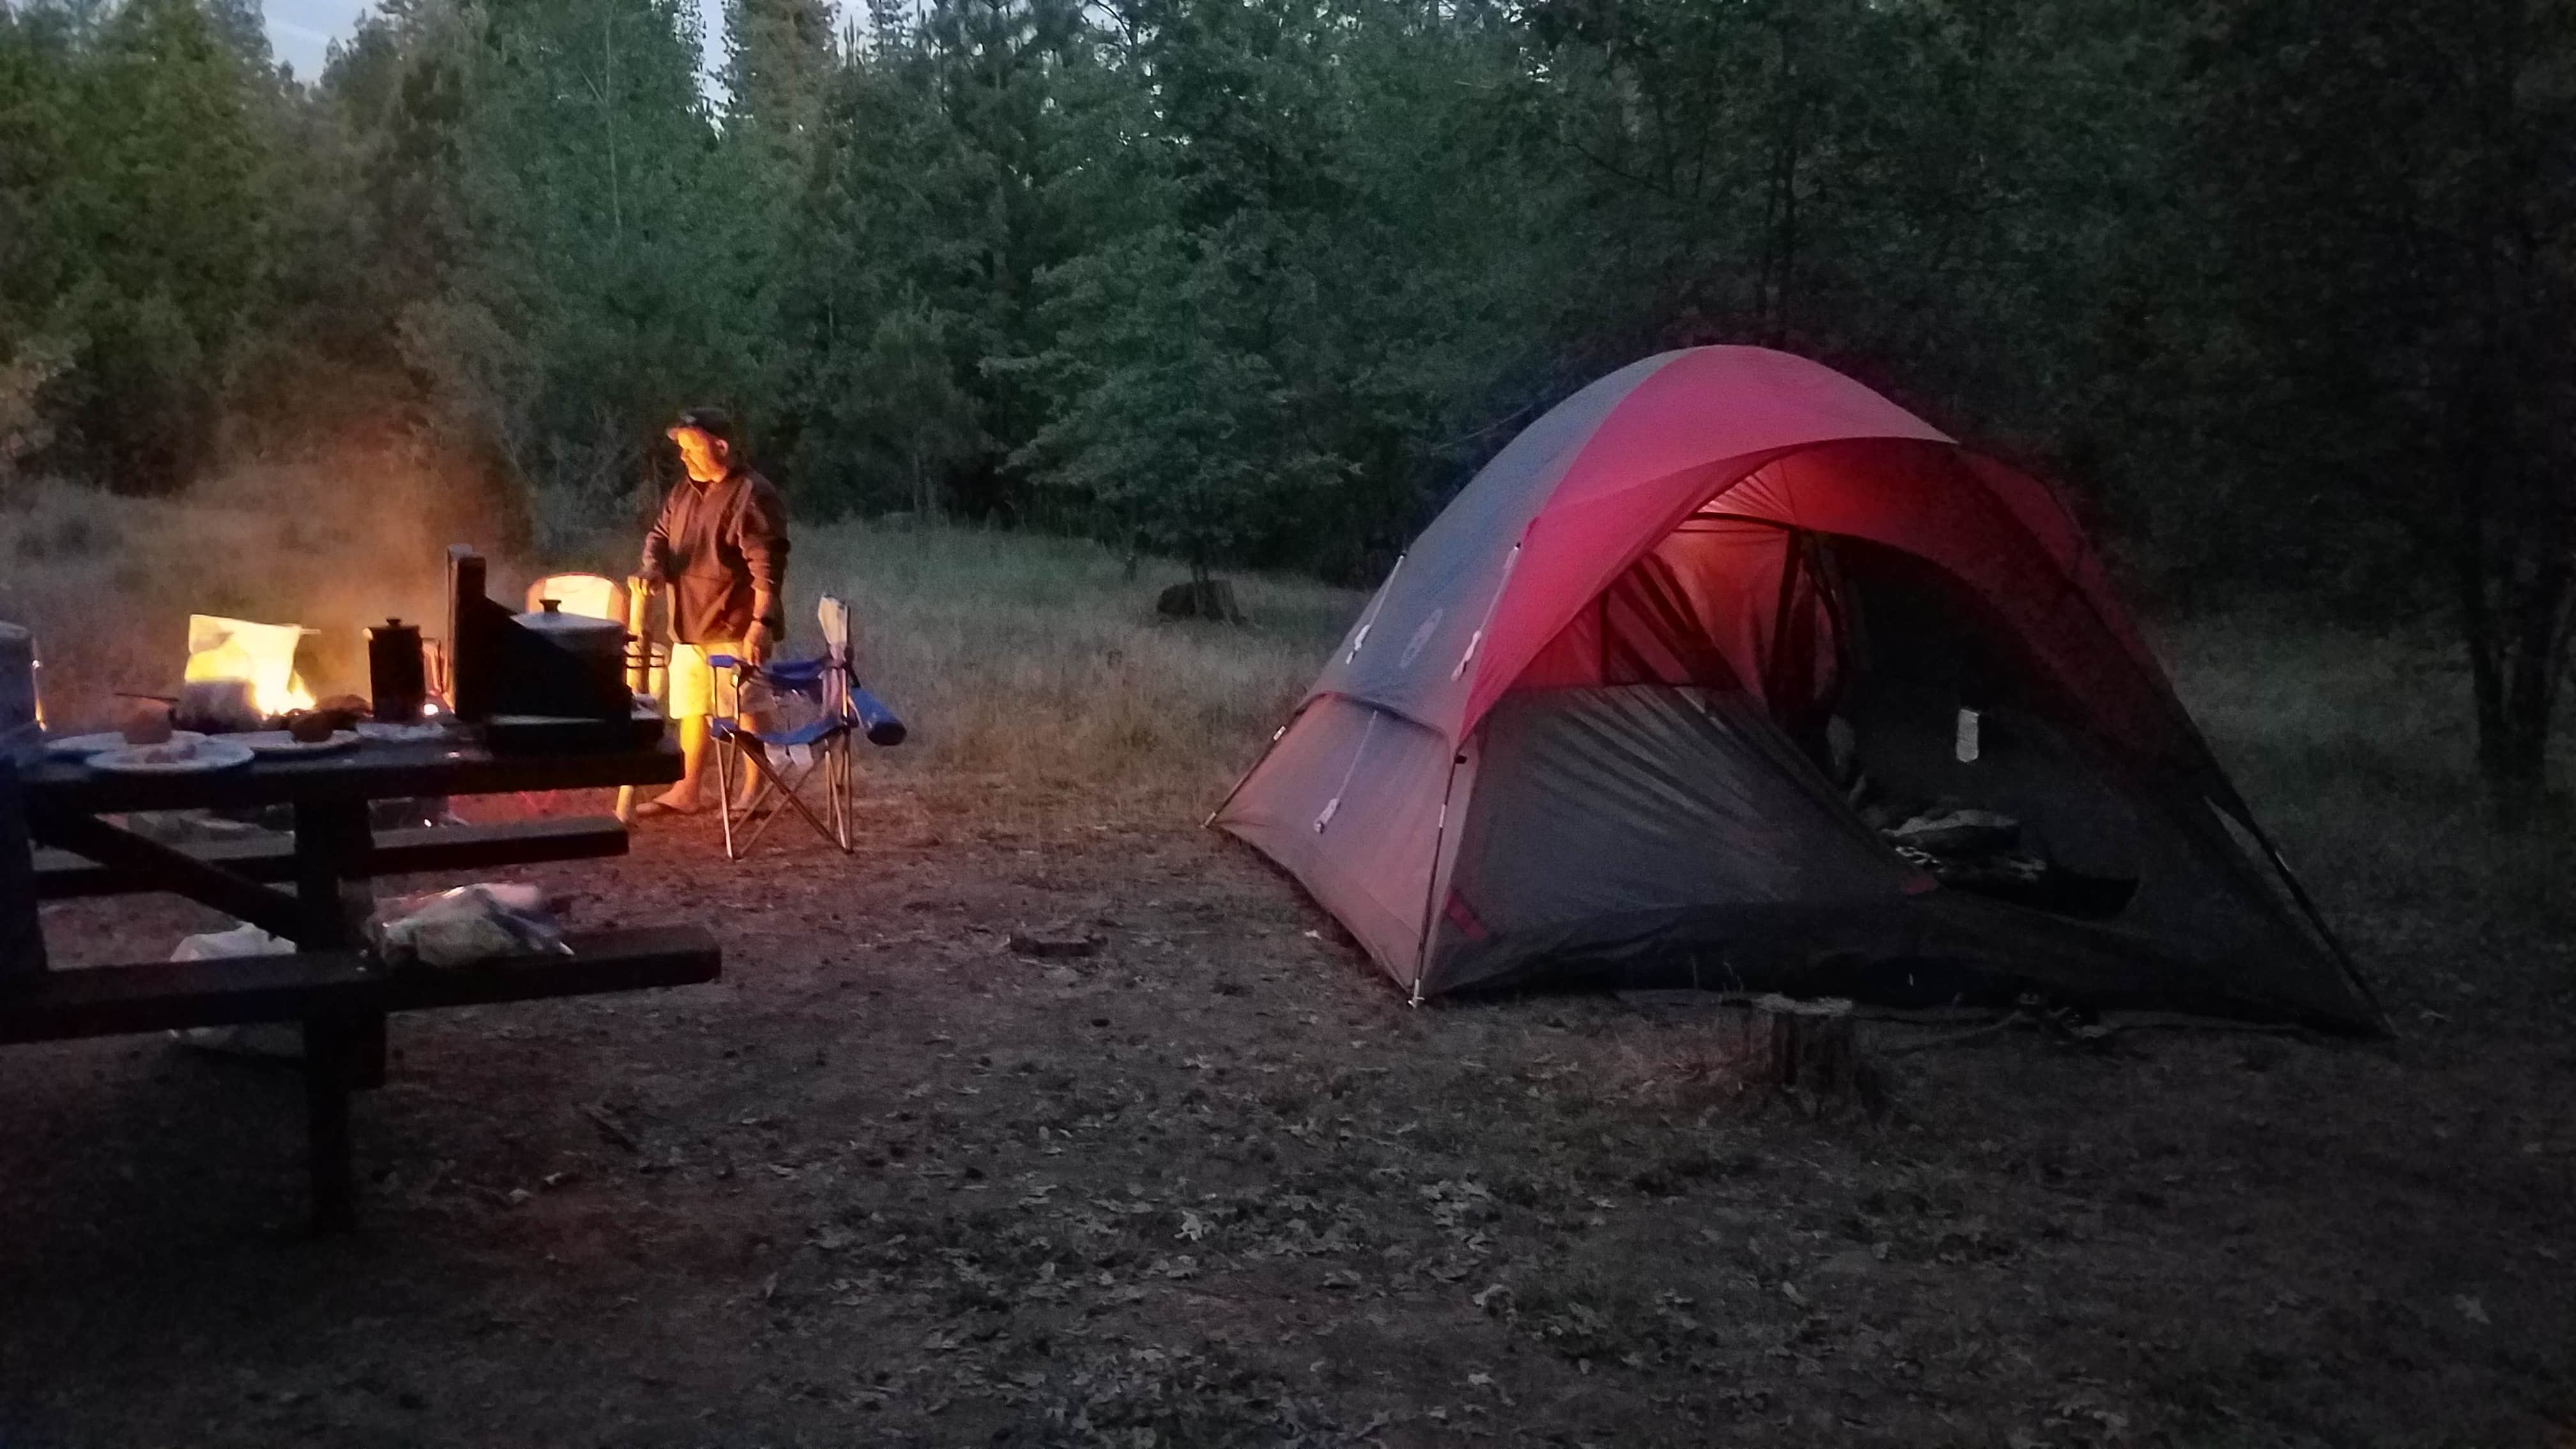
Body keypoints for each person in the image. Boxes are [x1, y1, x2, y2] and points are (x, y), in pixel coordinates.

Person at [634, 407, 789, 818]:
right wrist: (653, 567)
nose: (683, 456)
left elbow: (767, 568)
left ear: (721, 446)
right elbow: (660, 536)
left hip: (735, 625)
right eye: (681, 447)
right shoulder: (685, 491)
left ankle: (755, 793)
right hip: (689, 622)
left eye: (692, 446)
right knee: (692, 708)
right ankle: (688, 790)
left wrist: (761, 624)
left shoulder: (752, 494)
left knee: (746, 711)